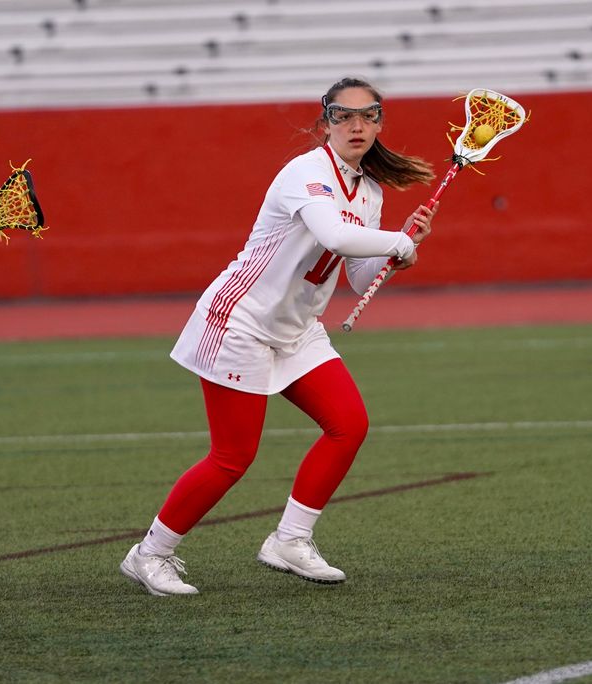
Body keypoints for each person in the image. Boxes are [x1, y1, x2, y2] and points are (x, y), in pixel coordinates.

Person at [120, 77, 439, 596]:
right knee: (232, 457)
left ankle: (290, 540)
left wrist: (395, 257)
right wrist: (396, 240)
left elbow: (357, 274)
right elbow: (335, 234)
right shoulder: (304, 172)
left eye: (368, 115)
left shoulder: (372, 191)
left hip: (296, 330)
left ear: (380, 122)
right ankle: (149, 554)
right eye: (343, 115)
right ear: (325, 122)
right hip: (239, 321)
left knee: (348, 425)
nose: (357, 125)